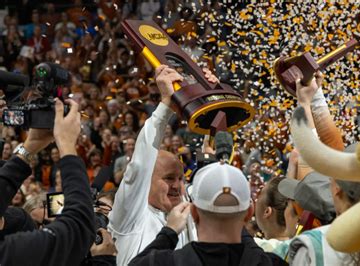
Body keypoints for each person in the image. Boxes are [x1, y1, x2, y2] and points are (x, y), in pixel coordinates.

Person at [109, 66, 218, 265]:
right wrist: (167, 103)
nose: (177, 185)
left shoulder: (186, 209)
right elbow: (140, 164)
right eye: (168, 178)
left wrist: (211, 99)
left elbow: (208, 167)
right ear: (146, 183)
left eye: (180, 178)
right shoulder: (130, 215)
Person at [129, 162, 288, 266]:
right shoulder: (269, 263)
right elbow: (254, 254)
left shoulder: (166, 262)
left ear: (194, 213)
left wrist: (169, 232)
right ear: (249, 214)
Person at [0, 99, 96, 265]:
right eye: (41, 225)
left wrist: (30, 146)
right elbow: (79, 228)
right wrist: (66, 146)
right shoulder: (13, 252)